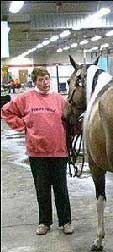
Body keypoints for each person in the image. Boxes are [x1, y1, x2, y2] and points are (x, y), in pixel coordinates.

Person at [1, 67, 74, 236]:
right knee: (42, 189)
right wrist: (22, 125)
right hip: (37, 153)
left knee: (61, 188)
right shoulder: (26, 98)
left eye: (47, 79)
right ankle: (44, 222)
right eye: (41, 80)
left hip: (58, 152)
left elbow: (71, 120)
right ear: (35, 82)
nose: (45, 82)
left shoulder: (60, 100)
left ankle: (66, 221)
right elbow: (6, 111)